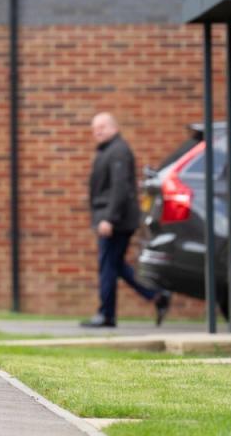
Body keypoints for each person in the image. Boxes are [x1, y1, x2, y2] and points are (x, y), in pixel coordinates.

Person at [82, 112, 171, 328]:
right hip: (113, 218)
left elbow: (120, 189)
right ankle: (156, 295)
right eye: (95, 128)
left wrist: (109, 219)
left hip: (116, 221)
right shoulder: (109, 150)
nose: (97, 132)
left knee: (108, 265)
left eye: (102, 127)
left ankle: (106, 315)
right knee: (115, 265)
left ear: (114, 127)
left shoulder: (118, 151)